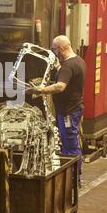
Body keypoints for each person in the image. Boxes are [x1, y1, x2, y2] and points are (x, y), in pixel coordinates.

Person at [27, 35, 87, 185]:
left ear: (61, 49)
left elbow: (60, 86)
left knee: (70, 147)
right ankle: (73, 177)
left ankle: (73, 180)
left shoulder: (68, 66)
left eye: (54, 49)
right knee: (72, 145)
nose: (54, 53)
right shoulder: (79, 61)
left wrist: (40, 90)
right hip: (75, 109)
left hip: (68, 112)